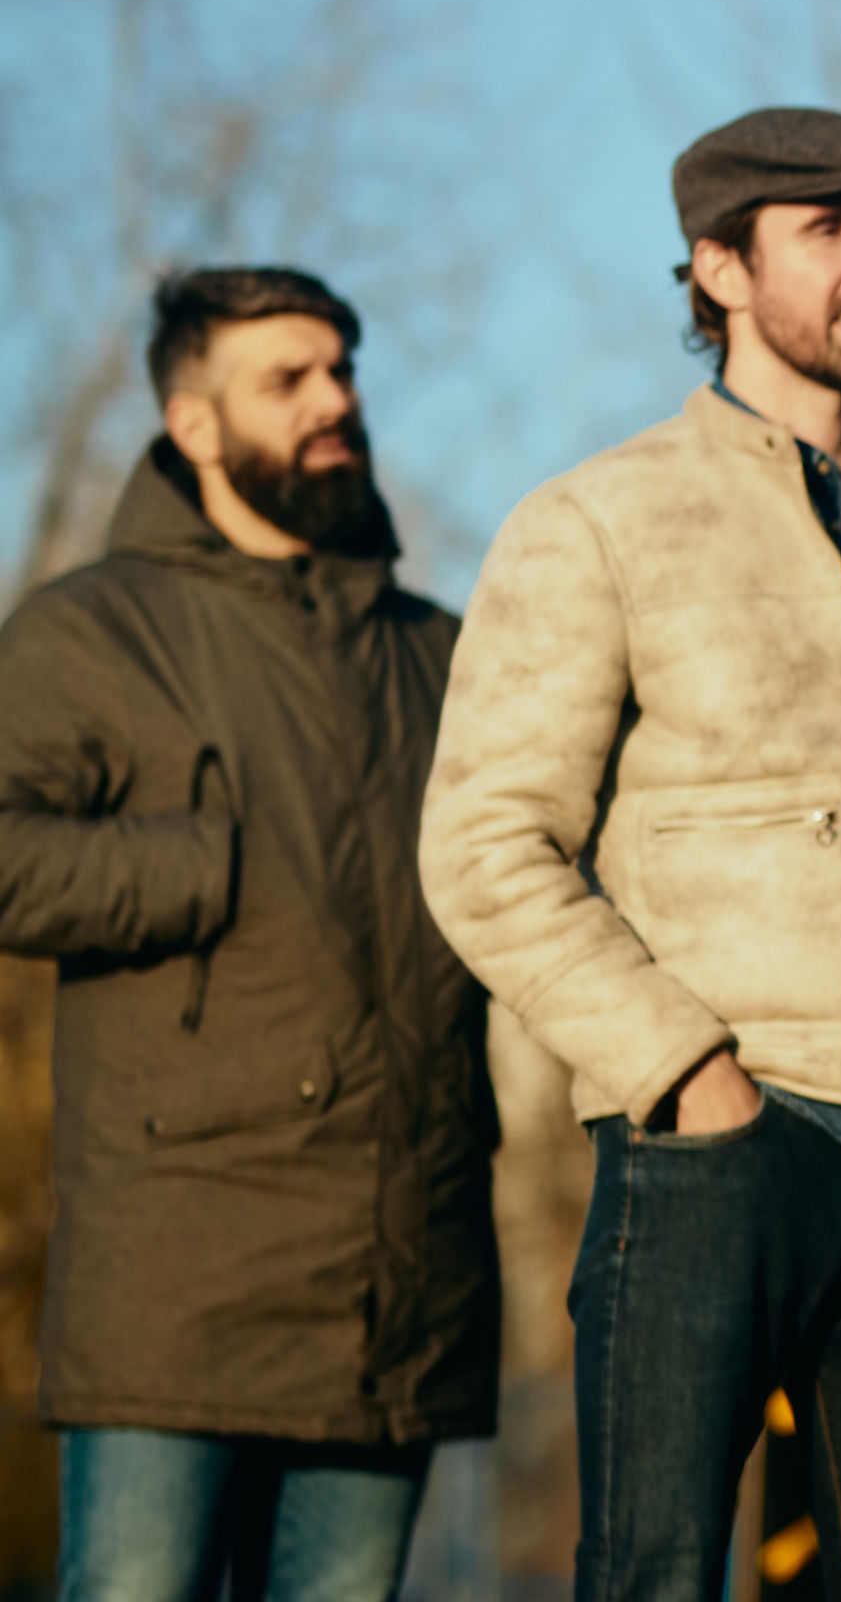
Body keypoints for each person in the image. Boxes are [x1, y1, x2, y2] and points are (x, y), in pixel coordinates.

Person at [418, 108, 841, 1602]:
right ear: (718, 266)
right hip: (716, 1149)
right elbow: (485, 844)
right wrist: (685, 1073)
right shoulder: (600, 520)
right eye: (830, 232)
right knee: (653, 1577)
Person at [0, 268, 496, 1602]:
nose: (335, 401)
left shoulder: (447, 653)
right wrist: (201, 861)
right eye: (288, 379)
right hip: (175, 1280)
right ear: (195, 423)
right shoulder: (91, 630)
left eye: (342, 369)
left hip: (403, 1284)